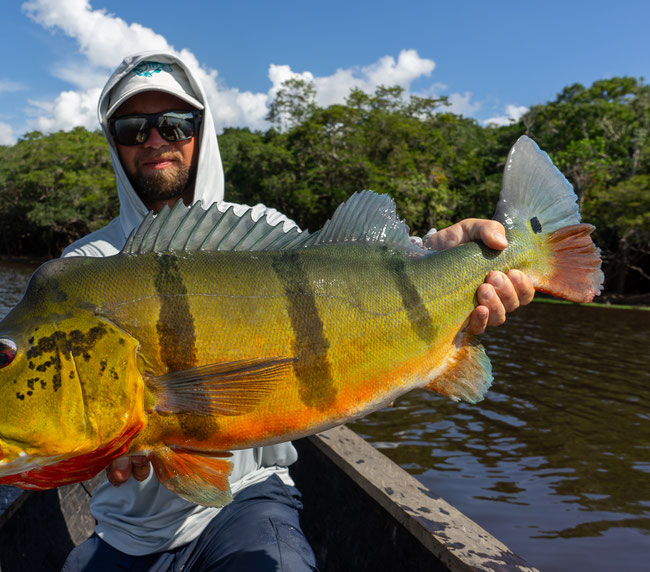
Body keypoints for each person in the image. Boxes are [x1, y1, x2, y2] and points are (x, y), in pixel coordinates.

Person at [61, 51, 533, 571]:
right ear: (113, 141)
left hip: (249, 500)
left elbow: (340, 290)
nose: (154, 140)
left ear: (201, 130)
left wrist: (435, 258)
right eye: (133, 128)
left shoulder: (259, 233)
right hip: (127, 530)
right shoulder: (84, 270)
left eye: (174, 125)